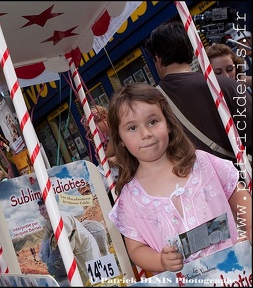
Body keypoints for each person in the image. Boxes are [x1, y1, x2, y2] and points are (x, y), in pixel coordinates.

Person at [106, 82, 252, 275]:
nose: (146, 134)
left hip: (238, 272)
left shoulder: (202, 163)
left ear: (168, 123)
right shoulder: (130, 199)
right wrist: (160, 260)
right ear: (120, 140)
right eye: (132, 128)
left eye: (152, 122)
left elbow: (239, 195)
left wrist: (248, 226)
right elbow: (135, 249)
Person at [144, 21, 252, 163]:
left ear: (158, 59)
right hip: (243, 177)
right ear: (191, 50)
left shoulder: (153, 104)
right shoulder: (226, 85)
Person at [37, 198, 101, 286]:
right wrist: (41, 252)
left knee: (94, 276)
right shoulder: (50, 221)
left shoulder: (62, 218)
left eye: (43, 209)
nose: (41, 212)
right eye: (40, 210)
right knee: (83, 279)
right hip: (76, 252)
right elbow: (45, 237)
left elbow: (67, 241)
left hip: (85, 248)